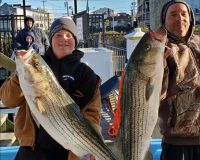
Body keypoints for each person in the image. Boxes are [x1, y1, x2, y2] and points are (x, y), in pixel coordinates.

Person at [0, 16, 102, 160]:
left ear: (75, 41)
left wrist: (94, 146)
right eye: (58, 35)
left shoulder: (86, 75)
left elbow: (92, 114)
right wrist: (21, 73)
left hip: (68, 153)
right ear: (51, 39)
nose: (63, 39)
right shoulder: (36, 65)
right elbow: (7, 100)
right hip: (31, 149)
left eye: (68, 35)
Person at [159, 0, 200, 160]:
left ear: (190, 18)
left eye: (184, 14)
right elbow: (155, 95)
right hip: (177, 143)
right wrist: (159, 65)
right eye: (173, 14)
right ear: (164, 20)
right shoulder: (161, 49)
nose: (180, 18)